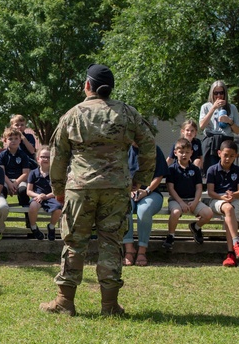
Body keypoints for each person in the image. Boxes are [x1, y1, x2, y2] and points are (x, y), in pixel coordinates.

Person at [40, 64, 155, 317]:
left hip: (80, 188)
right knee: (112, 243)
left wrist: (58, 188)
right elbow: (148, 144)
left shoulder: (73, 114)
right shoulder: (127, 113)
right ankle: (109, 306)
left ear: (87, 86)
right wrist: (140, 180)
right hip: (116, 188)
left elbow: (58, 156)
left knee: (74, 243)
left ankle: (64, 302)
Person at [206, 140, 239, 267]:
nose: (228, 158)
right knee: (229, 209)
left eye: (231, 156)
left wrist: (233, 195)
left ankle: (231, 255)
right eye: (225, 155)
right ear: (219, 153)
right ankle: (237, 243)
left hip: (234, 200)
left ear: (235, 156)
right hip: (216, 200)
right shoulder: (212, 170)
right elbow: (210, 192)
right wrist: (222, 197)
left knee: (230, 218)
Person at [123, 144, 167, 266]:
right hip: (129, 192)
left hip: (151, 193)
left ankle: (142, 251)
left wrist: (146, 191)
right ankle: (129, 250)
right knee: (125, 206)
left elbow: (159, 176)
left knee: (144, 209)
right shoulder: (124, 149)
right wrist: (130, 190)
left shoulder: (155, 149)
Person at [166, 138, 212, 247]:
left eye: (187, 152)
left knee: (208, 213)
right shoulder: (172, 169)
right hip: (176, 200)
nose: (184, 155)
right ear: (175, 152)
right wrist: (181, 202)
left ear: (191, 153)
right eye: (181, 152)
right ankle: (171, 236)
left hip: (192, 200)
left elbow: (199, 188)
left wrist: (196, 201)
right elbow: (170, 188)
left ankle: (195, 227)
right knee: (176, 212)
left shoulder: (195, 169)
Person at [198, 81, 239, 172]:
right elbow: (202, 126)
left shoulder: (232, 108)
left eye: (221, 93)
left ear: (225, 93)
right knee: (210, 170)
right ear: (212, 93)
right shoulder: (205, 107)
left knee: (226, 169)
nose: (219, 95)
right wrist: (213, 108)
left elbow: (238, 131)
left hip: (226, 141)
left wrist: (229, 121)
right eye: (216, 93)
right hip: (211, 141)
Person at [26, 148, 63, 241]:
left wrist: (46, 196)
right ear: (38, 159)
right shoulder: (33, 173)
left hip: (50, 197)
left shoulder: (54, 173)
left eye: (48, 157)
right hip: (37, 197)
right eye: (43, 157)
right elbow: (28, 191)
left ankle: (51, 227)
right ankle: (34, 228)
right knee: (33, 207)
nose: (45, 159)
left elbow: (57, 190)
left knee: (59, 208)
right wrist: (38, 196)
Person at [0, 127, 35, 207]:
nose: (13, 140)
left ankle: (26, 211)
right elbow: (1, 173)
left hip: (20, 180)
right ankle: (0, 207)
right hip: (6, 180)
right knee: (1, 189)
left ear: (20, 140)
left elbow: (25, 173)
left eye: (16, 138)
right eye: (10, 139)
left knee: (23, 190)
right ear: (5, 141)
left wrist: (16, 183)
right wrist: (10, 183)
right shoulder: (1, 156)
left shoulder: (23, 155)